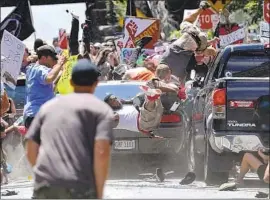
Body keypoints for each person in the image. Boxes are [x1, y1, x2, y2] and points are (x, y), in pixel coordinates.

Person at [25, 59, 115, 199]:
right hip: (79, 186)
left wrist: (43, 175)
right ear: (96, 83)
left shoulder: (48, 108)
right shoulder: (101, 110)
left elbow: (31, 147)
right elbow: (102, 151)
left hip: (45, 186)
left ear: (71, 82)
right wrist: (99, 192)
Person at [23, 45, 66, 129]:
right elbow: (49, 78)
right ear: (43, 58)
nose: (54, 62)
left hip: (31, 115)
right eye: (52, 59)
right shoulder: (40, 69)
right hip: (39, 115)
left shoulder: (31, 68)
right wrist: (60, 63)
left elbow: (48, 85)